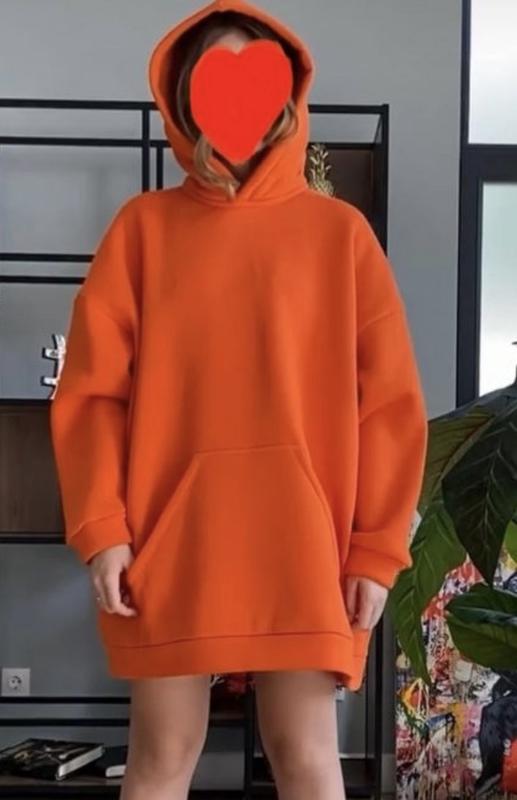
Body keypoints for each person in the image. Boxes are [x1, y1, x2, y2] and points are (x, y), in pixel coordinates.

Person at [50, 0, 429, 798]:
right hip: (171, 535)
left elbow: (390, 406)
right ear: (184, 103)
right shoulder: (142, 231)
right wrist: (102, 529)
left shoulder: (340, 236)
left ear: (286, 98)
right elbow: (91, 395)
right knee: (162, 756)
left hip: (307, 539)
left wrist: (375, 549)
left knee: (306, 755)